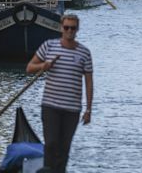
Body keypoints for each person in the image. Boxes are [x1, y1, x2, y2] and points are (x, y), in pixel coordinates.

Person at [26, 14, 93, 173]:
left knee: (64, 147)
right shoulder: (49, 46)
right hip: (50, 106)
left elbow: (89, 83)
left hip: (72, 109)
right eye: (66, 27)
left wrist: (88, 110)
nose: (69, 31)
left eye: (73, 28)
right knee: (51, 144)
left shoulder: (84, 53)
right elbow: (29, 68)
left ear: (77, 29)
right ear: (61, 28)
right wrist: (44, 65)